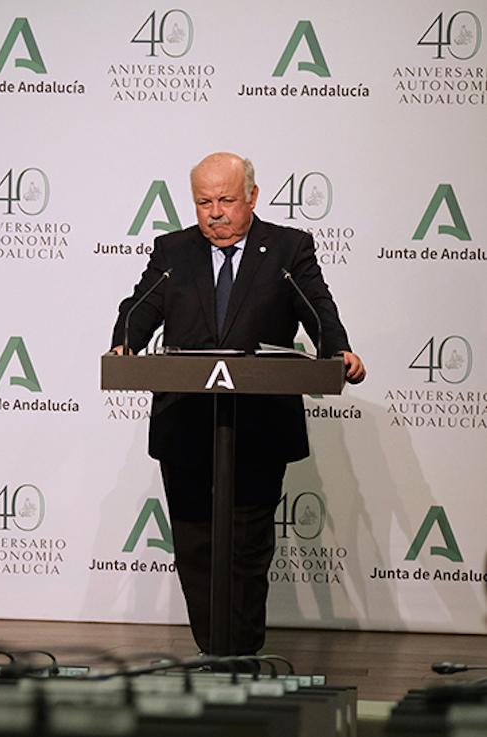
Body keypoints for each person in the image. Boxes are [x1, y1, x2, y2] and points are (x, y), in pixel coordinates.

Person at [109, 151, 365, 655]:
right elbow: (138, 308)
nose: (215, 212)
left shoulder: (288, 249)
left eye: (226, 199)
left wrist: (336, 349)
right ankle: (212, 655)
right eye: (204, 202)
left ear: (252, 195)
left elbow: (317, 306)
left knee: (247, 547)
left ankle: (242, 657)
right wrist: (125, 343)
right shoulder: (172, 251)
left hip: (258, 426)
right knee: (196, 546)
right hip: (185, 422)